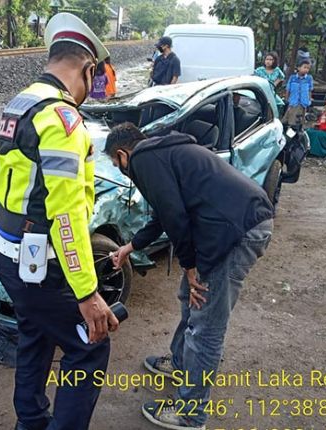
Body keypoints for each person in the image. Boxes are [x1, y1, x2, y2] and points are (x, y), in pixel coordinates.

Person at [0, 12, 118, 430]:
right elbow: (65, 215)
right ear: (86, 68)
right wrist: (87, 293)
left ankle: (30, 421)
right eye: (92, 79)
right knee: (88, 348)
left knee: (36, 333)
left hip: (7, 251)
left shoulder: (21, 102)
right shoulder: (63, 121)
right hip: (42, 263)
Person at [106, 123, 274, 430]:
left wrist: (190, 266)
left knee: (206, 327)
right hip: (226, 228)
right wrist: (128, 248)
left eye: (117, 166)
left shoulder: (144, 160)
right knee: (190, 297)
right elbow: (162, 216)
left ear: (122, 154)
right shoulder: (162, 152)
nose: (121, 171)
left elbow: (175, 217)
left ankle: (191, 413)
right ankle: (181, 363)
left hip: (238, 232)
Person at [283, 59, 314, 126]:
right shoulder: (292, 78)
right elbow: (288, 89)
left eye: (308, 68)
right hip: (293, 101)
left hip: (304, 102)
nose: (306, 69)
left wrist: (309, 99)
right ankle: (290, 130)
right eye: (304, 67)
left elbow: (310, 90)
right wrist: (287, 99)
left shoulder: (309, 78)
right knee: (291, 117)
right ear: (299, 68)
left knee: (300, 119)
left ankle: (299, 131)